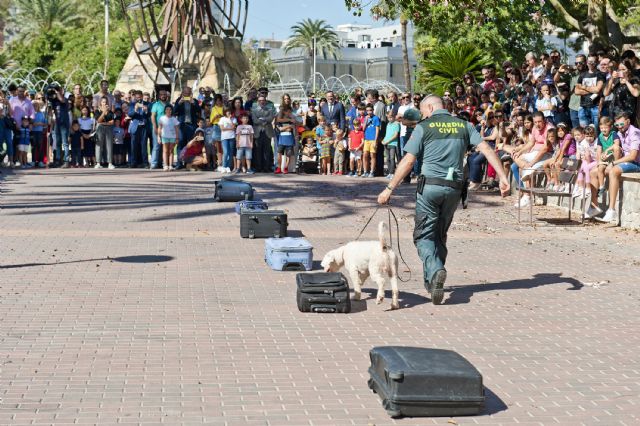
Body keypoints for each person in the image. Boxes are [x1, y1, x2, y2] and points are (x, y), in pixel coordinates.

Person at [377, 95, 509, 305]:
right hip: (454, 188)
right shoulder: (464, 125)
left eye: (423, 111)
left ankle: (436, 269)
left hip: (430, 188)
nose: (423, 115)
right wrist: (502, 177)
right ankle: (433, 281)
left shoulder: (424, 127)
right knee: (440, 234)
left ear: (430, 107)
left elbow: (409, 160)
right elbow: (486, 148)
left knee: (423, 236)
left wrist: (389, 188)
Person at [586, 112, 640, 223]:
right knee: (593, 172)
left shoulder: (634, 133)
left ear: (628, 121)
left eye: (622, 124)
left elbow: (633, 156)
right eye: (617, 125)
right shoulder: (620, 133)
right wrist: (606, 155)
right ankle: (594, 206)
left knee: (613, 171)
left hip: (635, 163)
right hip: (622, 160)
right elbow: (614, 147)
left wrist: (614, 163)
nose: (620, 127)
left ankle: (611, 210)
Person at [575, 53, 605, 132]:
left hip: (595, 106)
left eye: (593, 62)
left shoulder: (600, 74)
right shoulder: (582, 75)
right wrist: (591, 90)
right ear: (587, 62)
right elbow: (576, 91)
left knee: (596, 132)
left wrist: (584, 87)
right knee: (584, 132)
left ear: (597, 62)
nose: (591, 64)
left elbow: (598, 90)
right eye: (589, 61)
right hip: (583, 107)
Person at [173, 86, 201, 169]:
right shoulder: (179, 100)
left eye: (188, 94)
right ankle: (179, 163)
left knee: (191, 145)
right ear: (182, 93)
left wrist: (194, 103)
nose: (187, 95)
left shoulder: (194, 101)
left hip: (191, 125)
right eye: (185, 94)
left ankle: (188, 163)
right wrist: (179, 103)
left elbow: (199, 111)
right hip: (182, 126)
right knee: (180, 144)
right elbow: (174, 111)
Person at [250, 94, 276, 173]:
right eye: (260, 100)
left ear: (266, 101)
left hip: (267, 131)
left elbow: (271, 118)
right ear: (258, 101)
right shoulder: (254, 110)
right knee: (258, 150)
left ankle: (267, 167)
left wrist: (263, 119)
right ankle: (258, 167)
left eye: (263, 100)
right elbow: (255, 120)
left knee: (267, 151)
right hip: (258, 132)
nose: (262, 102)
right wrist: (264, 120)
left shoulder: (270, 109)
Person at [94, 96, 115, 169]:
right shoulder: (97, 111)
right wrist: (103, 112)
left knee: (109, 145)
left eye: (106, 102)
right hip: (100, 129)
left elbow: (112, 122)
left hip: (109, 129)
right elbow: (98, 120)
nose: (104, 103)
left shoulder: (111, 112)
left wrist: (104, 123)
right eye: (103, 102)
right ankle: (98, 163)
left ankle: (110, 163)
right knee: (99, 145)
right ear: (100, 103)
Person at [149, 90, 169, 169]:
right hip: (158, 127)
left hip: (167, 129)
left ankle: (163, 163)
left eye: (165, 94)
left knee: (165, 146)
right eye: (161, 94)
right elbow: (153, 116)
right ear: (159, 96)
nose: (163, 96)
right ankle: (153, 164)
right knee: (156, 146)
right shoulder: (156, 105)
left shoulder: (169, 105)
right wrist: (155, 127)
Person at [157, 105, 180, 171]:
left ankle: (170, 165)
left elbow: (177, 129)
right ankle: (165, 165)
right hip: (164, 136)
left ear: (172, 111)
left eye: (170, 109)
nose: (168, 111)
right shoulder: (162, 118)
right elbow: (159, 128)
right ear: (165, 110)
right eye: (167, 109)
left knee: (171, 151)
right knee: (165, 151)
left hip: (172, 136)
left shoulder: (174, 119)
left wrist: (177, 138)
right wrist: (158, 136)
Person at [362, 103, 380, 178]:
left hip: (373, 139)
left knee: (373, 155)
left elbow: (377, 129)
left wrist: (376, 140)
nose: (369, 112)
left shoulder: (376, 118)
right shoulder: (365, 118)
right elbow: (363, 129)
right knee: (365, 155)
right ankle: (365, 171)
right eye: (367, 110)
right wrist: (366, 121)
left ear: (373, 110)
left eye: (370, 110)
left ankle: (372, 171)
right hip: (366, 139)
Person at [382, 110, 400, 180]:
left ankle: (392, 173)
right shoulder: (388, 124)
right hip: (386, 143)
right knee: (388, 158)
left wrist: (387, 141)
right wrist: (384, 140)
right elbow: (387, 134)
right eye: (388, 117)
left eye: (391, 117)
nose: (390, 119)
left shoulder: (396, 124)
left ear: (394, 117)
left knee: (392, 158)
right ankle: (389, 172)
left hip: (393, 143)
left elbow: (395, 135)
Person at [218, 107, 237, 173]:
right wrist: (230, 129)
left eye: (229, 111)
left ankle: (228, 167)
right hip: (224, 138)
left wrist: (230, 119)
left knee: (231, 153)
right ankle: (224, 166)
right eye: (227, 111)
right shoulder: (222, 119)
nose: (228, 112)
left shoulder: (234, 119)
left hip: (232, 137)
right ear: (225, 112)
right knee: (225, 152)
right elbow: (222, 129)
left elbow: (234, 127)